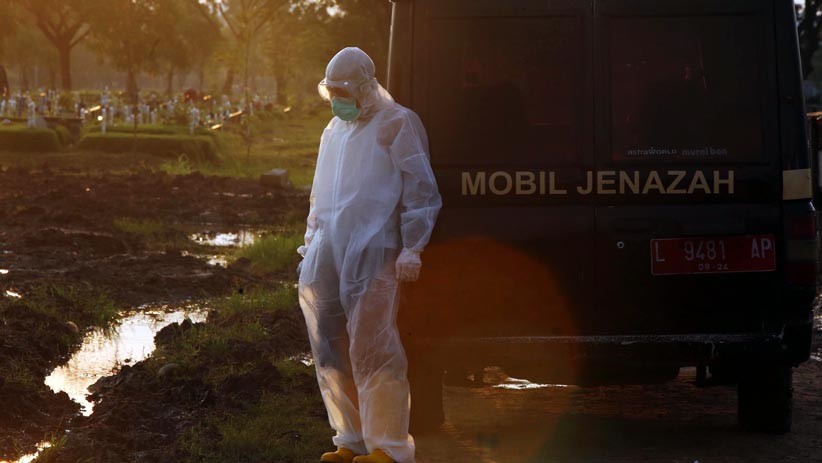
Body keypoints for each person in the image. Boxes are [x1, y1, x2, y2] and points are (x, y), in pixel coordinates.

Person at [297, 47, 442, 463]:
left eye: (344, 89)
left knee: (374, 348)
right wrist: (311, 243)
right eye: (332, 91)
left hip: (376, 252)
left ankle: (389, 448)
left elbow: (421, 188)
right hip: (331, 251)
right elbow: (320, 196)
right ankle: (351, 440)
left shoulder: (397, 123)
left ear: (364, 86)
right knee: (330, 346)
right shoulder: (334, 132)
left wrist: (412, 246)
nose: (338, 98)